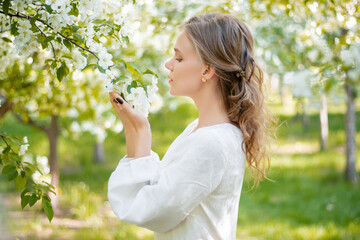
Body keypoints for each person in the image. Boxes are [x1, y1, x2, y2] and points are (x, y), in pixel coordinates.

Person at [107, 12, 273, 240]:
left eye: (179, 58)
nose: (168, 64)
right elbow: (161, 188)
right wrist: (134, 131)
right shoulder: (201, 130)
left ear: (207, 70)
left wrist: (141, 132)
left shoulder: (211, 143)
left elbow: (150, 210)